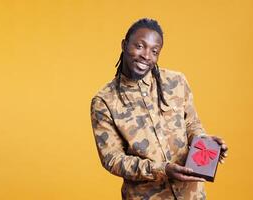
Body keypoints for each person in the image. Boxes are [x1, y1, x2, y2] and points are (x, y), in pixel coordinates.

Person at [90, 18, 228, 200]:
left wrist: (206, 145)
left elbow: (192, 124)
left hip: (192, 195)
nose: (146, 56)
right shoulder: (104, 101)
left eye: (154, 51)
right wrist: (162, 170)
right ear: (124, 44)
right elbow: (113, 159)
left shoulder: (176, 81)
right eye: (139, 46)